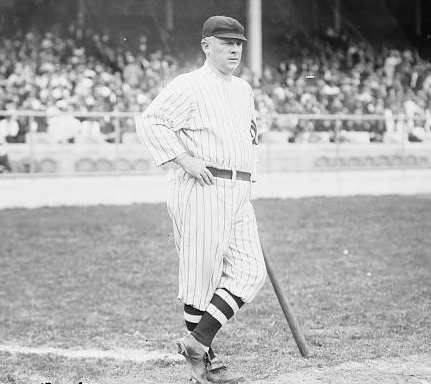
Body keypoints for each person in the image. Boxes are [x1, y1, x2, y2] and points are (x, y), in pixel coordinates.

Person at [135, 15, 267, 384]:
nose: (234, 48)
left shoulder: (243, 90)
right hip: (203, 186)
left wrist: (245, 183)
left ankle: (198, 342)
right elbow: (151, 122)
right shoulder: (189, 85)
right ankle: (205, 364)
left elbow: (246, 139)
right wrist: (184, 159)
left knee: (250, 271)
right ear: (206, 45)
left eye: (238, 43)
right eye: (226, 42)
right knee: (202, 278)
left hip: (239, 189)